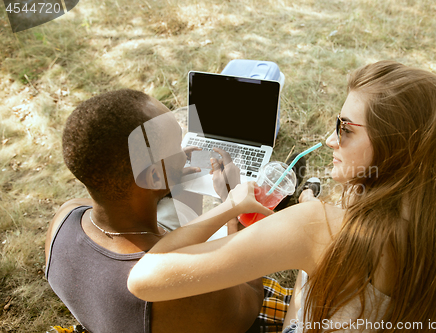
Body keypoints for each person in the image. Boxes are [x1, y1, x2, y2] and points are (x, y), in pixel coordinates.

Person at [128, 61, 436, 332]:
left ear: (395, 147)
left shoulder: (317, 228)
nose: (330, 140)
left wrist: (232, 205)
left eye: (345, 129)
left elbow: (144, 280)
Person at [45, 89, 269, 333]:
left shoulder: (64, 218)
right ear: (152, 176)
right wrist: (236, 209)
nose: (185, 152)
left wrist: (165, 175)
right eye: (176, 144)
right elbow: (252, 298)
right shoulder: (182, 283)